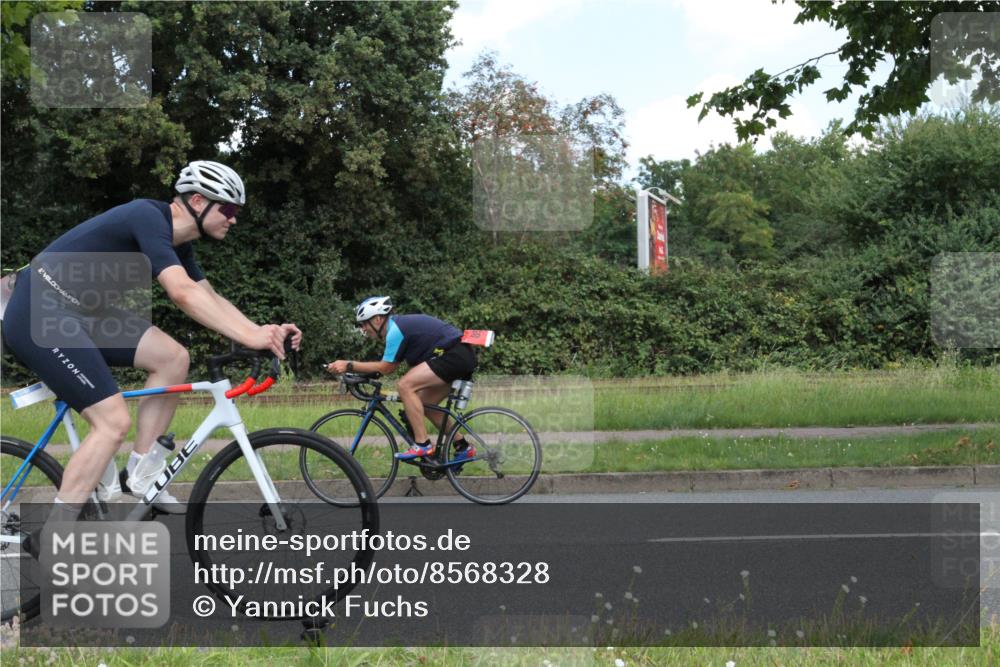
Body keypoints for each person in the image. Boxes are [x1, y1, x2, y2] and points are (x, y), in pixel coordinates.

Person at [1, 160, 302, 518]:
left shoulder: (179, 244)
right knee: (113, 422)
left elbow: (208, 296)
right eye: (229, 209)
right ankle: (57, 533)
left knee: (172, 357)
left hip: (81, 313)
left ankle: (142, 474)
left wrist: (263, 331)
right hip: (39, 310)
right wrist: (251, 335)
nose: (233, 219)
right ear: (197, 201)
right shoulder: (147, 216)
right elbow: (182, 292)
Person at [327, 296, 476, 460]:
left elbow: (386, 368)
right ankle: (463, 447)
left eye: (364, 323)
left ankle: (423, 444)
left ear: (377, 319)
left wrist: (349, 365)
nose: (363, 329)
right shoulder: (398, 327)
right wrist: (357, 372)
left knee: (405, 385)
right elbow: (386, 368)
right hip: (459, 355)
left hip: (454, 355)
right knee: (426, 405)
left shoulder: (395, 331)